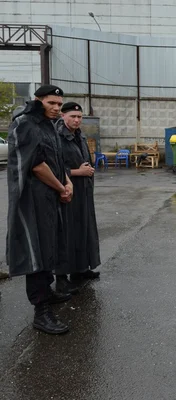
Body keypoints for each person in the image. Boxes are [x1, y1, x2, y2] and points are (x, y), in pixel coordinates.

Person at [6, 84, 74, 334]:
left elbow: (57, 160)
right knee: (36, 249)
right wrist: (61, 188)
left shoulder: (48, 125)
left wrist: (66, 182)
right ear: (38, 100)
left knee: (50, 245)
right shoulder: (26, 123)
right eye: (51, 103)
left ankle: (48, 292)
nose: (56, 108)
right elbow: (36, 165)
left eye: (59, 103)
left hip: (50, 197)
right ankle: (41, 311)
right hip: (32, 199)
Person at [54, 102, 101, 294]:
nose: (76, 120)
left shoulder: (78, 135)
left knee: (84, 229)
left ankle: (80, 269)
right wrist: (78, 172)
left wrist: (88, 170)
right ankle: (61, 278)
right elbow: (52, 168)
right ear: (63, 116)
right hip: (67, 191)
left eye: (79, 117)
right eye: (72, 116)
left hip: (83, 191)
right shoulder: (57, 137)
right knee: (66, 234)